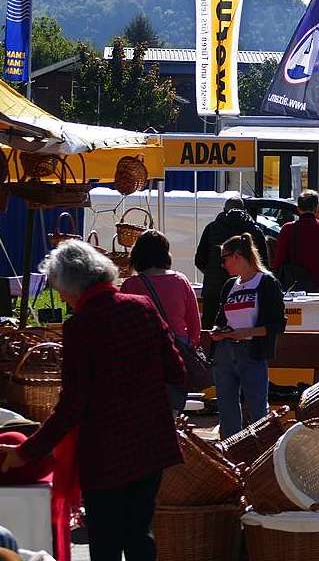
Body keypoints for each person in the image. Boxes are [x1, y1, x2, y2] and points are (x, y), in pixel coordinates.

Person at [0, 240, 185, 561]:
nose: (61, 297)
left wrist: (28, 451)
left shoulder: (81, 327)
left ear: (73, 287)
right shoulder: (142, 307)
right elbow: (177, 371)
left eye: (59, 289)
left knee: (107, 541)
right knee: (140, 533)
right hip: (151, 444)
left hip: (106, 453)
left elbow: (72, 405)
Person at [211, 233, 287, 439]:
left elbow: (278, 324)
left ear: (237, 256)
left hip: (252, 354)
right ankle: (231, 456)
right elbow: (222, 318)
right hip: (226, 352)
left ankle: (260, 454)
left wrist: (247, 333)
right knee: (227, 411)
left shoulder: (266, 282)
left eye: (224, 258)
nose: (223, 264)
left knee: (257, 411)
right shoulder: (229, 285)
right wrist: (219, 331)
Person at [121, 230, 201, 413]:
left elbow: (122, 325)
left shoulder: (130, 285)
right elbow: (195, 324)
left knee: (142, 407)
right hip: (176, 350)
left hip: (141, 352)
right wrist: (189, 345)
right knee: (172, 408)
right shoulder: (181, 281)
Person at [194, 196, 269, 328]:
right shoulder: (254, 229)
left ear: (224, 210)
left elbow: (199, 259)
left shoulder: (211, 228)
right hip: (247, 290)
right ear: (244, 210)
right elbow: (263, 263)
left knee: (211, 330)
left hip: (214, 289)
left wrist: (212, 273)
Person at [272, 190, 319, 293]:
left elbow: (278, 262)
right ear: (316, 207)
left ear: (298, 208)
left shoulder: (287, 229)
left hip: (293, 288)